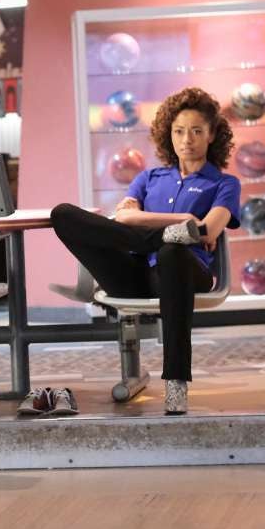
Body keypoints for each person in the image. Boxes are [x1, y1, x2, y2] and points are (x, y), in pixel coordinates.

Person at [45, 87, 240, 416]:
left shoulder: (224, 183)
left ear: (211, 135)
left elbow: (208, 229)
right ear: (169, 134)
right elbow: (123, 217)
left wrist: (171, 229)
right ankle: (160, 239)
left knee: (173, 252)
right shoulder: (149, 177)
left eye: (196, 131)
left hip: (187, 273)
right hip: (137, 274)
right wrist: (179, 224)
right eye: (179, 131)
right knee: (63, 214)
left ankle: (176, 382)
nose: (186, 139)